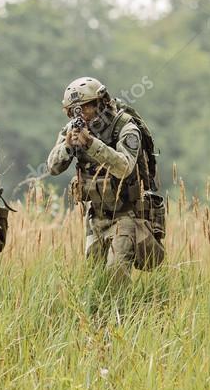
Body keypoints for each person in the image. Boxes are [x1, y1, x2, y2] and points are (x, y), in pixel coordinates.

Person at [46, 77, 165, 288]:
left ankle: (123, 318)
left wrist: (91, 144)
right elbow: (53, 167)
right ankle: (99, 319)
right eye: (74, 111)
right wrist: (67, 145)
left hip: (126, 214)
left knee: (116, 273)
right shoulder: (73, 129)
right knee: (95, 279)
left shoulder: (125, 126)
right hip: (96, 216)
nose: (80, 115)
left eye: (84, 108)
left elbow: (124, 167)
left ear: (99, 103)